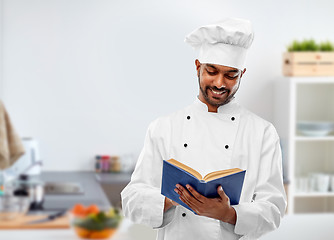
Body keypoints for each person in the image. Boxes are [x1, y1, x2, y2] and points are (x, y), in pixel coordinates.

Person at [121, 18, 287, 240]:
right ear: (198, 67)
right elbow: (131, 199)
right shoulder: (163, 128)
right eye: (212, 71)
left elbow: (274, 209)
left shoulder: (262, 133)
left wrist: (229, 214)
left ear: (242, 74)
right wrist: (172, 198)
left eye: (231, 75)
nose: (220, 83)